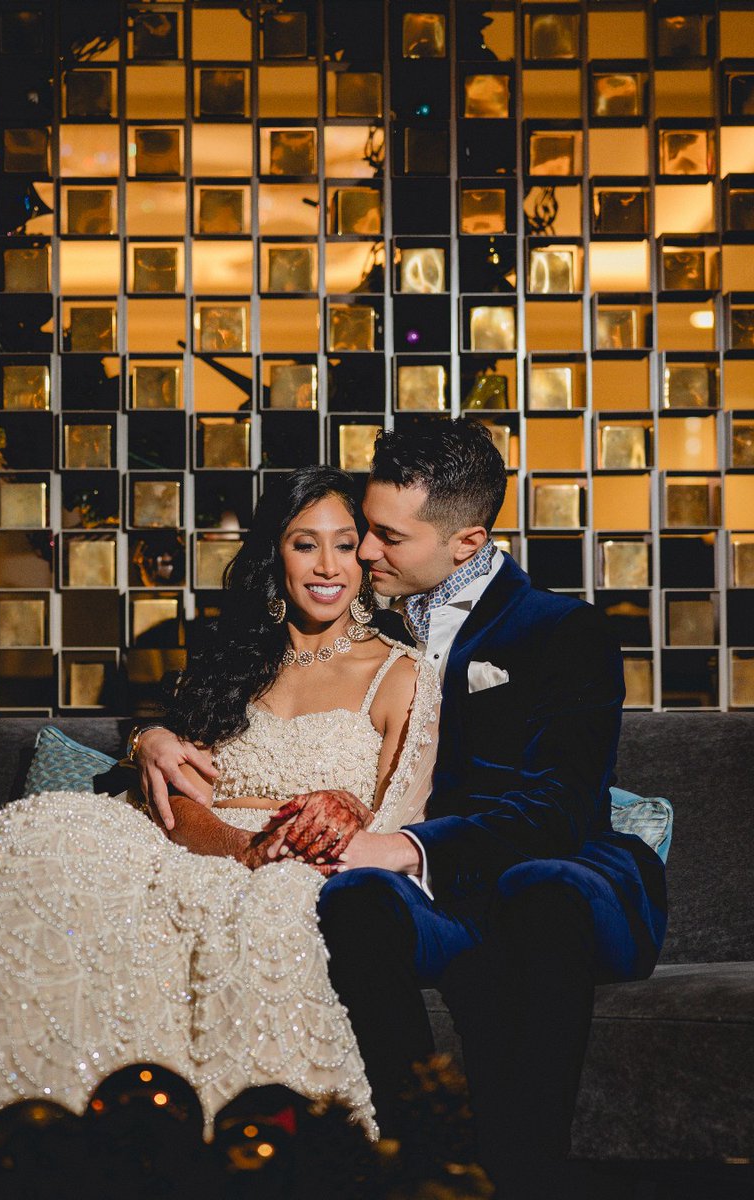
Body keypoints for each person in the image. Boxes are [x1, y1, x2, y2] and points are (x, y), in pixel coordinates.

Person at [0, 465, 441, 1151]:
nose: (328, 566)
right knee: (41, 833)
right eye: (305, 544)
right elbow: (179, 801)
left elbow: (399, 819)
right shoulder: (235, 660)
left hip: (300, 867)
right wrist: (223, 828)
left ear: (368, 556)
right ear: (274, 555)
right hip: (190, 840)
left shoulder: (400, 673)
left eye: (345, 544)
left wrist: (334, 816)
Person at [137, 423, 668, 1200]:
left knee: (544, 894)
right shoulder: (366, 614)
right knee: (353, 902)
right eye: (362, 532)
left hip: (528, 873)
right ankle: (418, 1161)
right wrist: (148, 735)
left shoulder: (562, 633)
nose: (360, 553)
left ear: (466, 542)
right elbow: (243, 701)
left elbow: (559, 807)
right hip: (411, 893)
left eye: (384, 537)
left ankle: (522, 1174)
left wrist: (402, 846)